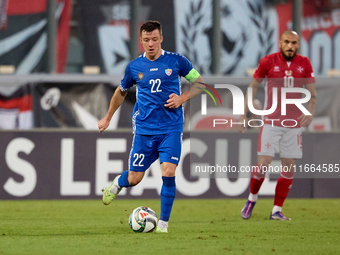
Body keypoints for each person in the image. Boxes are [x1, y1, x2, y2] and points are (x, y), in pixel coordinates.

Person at [98, 20, 205, 233]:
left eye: (154, 39)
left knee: (169, 171)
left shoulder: (176, 61)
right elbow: (121, 91)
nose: (151, 44)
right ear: (141, 41)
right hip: (144, 131)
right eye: (146, 40)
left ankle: (163, 225)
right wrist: (108, 117)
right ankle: (118, 184)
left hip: (171, 128)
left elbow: (201, 83)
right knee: (135, 178)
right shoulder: (134, 67)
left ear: (161, 39)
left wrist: (182, 98)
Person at [238, 30, 317, 220]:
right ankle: (252, 198)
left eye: (294, 43)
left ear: (298, 44)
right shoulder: (268, 62)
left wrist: (310, 112)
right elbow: (253, 86)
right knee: (263, 164)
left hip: (293, 124)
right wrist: (244, 113)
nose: (291, 46)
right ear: (280, 42)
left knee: (289, 167)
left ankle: (276, 210)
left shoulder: (304, 63)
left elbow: (312, 94)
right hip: (271, 122)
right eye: (287, 42)